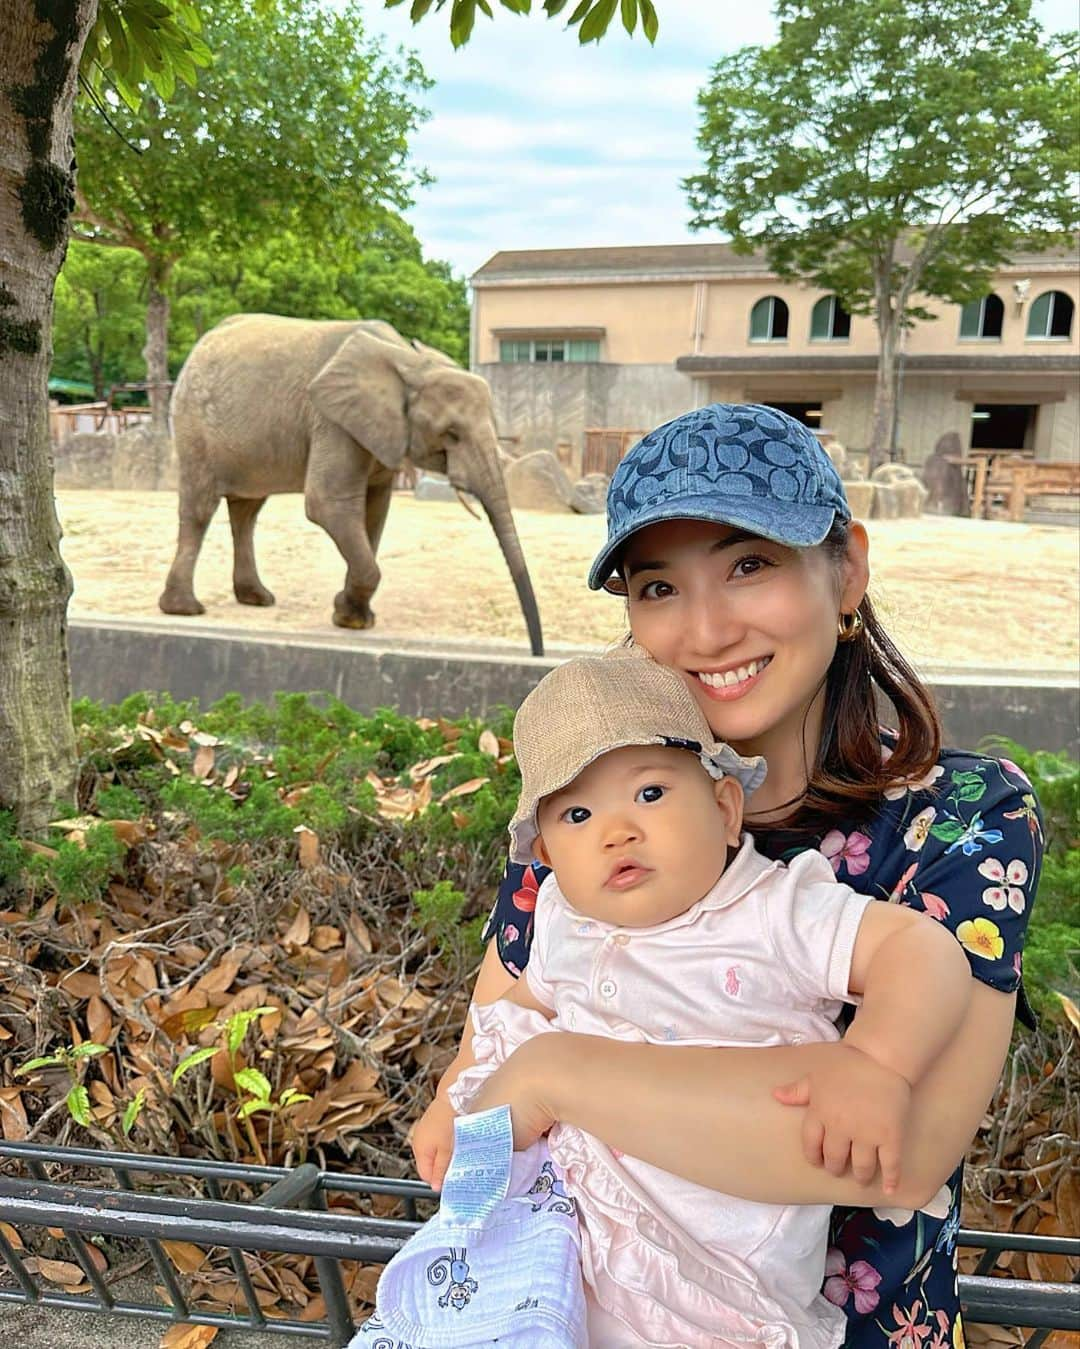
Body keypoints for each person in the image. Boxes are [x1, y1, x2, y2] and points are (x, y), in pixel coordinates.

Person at [411, 403, 1043, 1343]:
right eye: (658, 587)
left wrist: (561, 1075)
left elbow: (893, 1154)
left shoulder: (959, 819)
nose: (704, 630)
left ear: (847, 570)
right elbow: (480, 1080)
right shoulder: (587, 805)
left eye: (750, 564)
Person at [431, 647, 971, 1347]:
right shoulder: (562, 915)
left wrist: (875, 1060)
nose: (616, 830)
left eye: (650, 793)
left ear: (723, 808)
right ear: (548, 856)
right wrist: (457, 1104)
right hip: (561, 1260)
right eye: (578, 814)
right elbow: (520, 1010)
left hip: (715, 1286)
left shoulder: (770, 911)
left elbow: (923, 951)